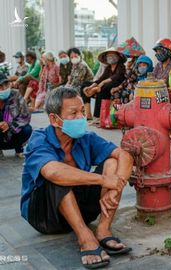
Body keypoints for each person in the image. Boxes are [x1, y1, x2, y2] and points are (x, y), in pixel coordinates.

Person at [20, 87, 133, 269]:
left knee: (112, 162)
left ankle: (103, 230)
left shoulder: (86, 138)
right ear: (54, 119)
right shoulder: (39, 139)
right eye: (73, 113)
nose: (81, 117)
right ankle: (85, 237)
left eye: (82, 111)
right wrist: (104, 181)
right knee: (57, 174)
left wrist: (116, 187)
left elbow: (125, 156)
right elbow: (53, 172)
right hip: (45, 216)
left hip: (81, 211)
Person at [81, 47, 126, 121]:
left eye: (112, 55)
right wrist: (91, 86)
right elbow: (101, 78)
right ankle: (88, 114)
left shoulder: (121, 66)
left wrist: (102, 83)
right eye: (108, 55)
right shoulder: (108, 67)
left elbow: (116, 77)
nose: (110, 57)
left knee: (104, 88)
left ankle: (97, 117)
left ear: (118, 56)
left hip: (115, 85)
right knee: (85, 84)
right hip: (103, 86)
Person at [0, 72, 32, 159]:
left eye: (5, 85)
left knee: (27, 129)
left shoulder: (15, 94)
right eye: (0, 86)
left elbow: (26, 116)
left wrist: (9, 125)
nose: (3, 89)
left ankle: (18, 148)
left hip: (12, 132)